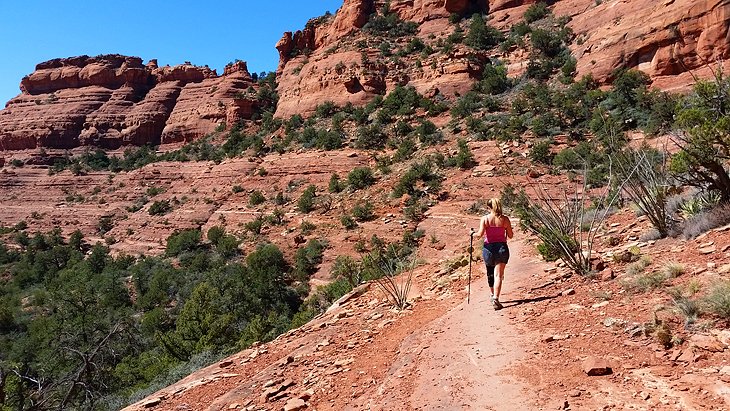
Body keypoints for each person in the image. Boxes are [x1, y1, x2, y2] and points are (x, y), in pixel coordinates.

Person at [475, 198, 513, 310]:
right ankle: (496, 298)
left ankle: (492, 295)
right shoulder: (505, 219)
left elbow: (480, 234)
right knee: (499, 275)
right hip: (501, 248)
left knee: (490, 273)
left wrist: (472, 233)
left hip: (488, 249)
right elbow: (510, 235)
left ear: (489, 207)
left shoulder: (485, 219)